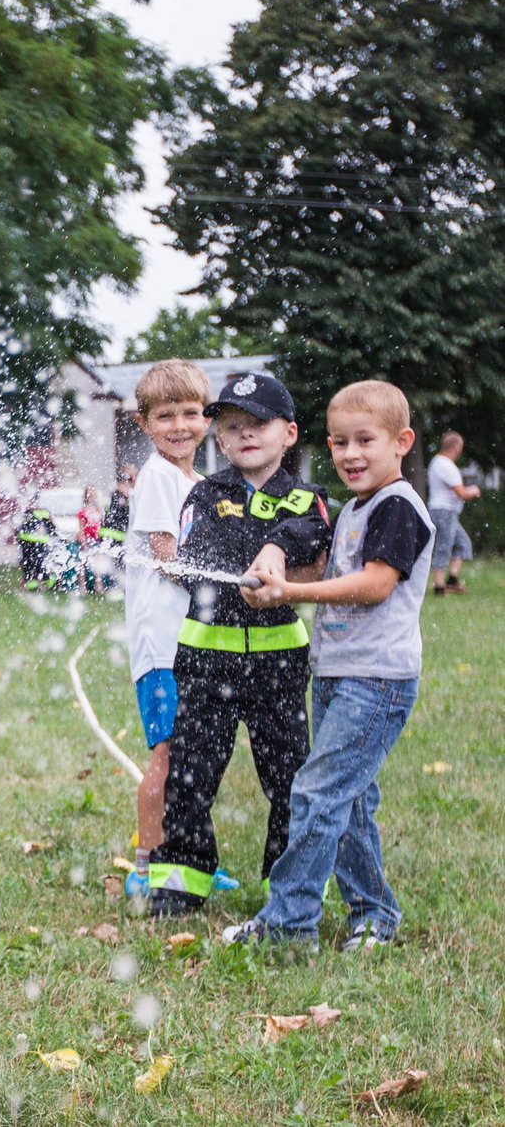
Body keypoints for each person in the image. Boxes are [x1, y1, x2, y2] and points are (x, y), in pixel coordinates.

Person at [222, 379, 434, 952]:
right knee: (352, 799)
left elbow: (373, 584)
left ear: (401, 441)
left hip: (377, 680)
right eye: (339, 443)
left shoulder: (397, 506)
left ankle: (288, 926)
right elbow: (328, 575)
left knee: (315, 793)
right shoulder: (355, 510)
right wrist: (275, 584)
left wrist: (293, 593)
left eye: (365, 440)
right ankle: (374, 914)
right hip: (338, 673)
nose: (350, 454)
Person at [148, 372, 332, 917]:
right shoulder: (205, 494)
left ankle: (291, 882)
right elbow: (196, 555)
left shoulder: (308, 497)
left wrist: (276, 548)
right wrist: (267, 560)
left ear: (290, 433)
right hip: (206, 660)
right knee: (191, 773)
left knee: (289, 776)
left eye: (259, 424)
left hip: (279, 663)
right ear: (219, 440)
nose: (245, 434)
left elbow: (316, 538)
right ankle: (182, 880)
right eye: (232, 426)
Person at [123, 358, 231, 900]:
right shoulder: (160, 476)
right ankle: (146, 864)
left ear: (207, 418)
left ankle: (186, 857)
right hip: (161, 644)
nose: (179, 425)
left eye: (190, 413)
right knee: (166, 753)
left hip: (190, 643)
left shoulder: (199, 481)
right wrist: (228, 588)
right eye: (165, 416)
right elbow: (168, 557)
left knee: (193, 755)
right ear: (144, 423)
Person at [427, 431, 480, 595]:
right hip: (444, 511)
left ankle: (452, 579)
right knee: (443, 547)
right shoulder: (445, 465)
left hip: (445, 511)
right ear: (457, 447)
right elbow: (461, 493)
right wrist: (474, 490)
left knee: (463, 543)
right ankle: (439, 586)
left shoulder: (438, 462)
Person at [99, 466, 137, 572]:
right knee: (117, 567)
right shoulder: (118, 496)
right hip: (114, 534)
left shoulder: (129, 496)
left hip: (119, 535)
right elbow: (120, 513)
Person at [16, 500, 58, 591]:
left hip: (39, 543)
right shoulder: (26, 513)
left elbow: (51, 527)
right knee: (29, 565)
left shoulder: (43, 513)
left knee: (39, 564)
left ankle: (50, 580)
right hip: (27, 542)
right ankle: (32, 585)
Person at [76, 486, 105, 595]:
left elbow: (101, 525)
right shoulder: (83, 512)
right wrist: (84, 542)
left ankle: (98, 586)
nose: (92, 496)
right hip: (87, 540)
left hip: (96, 540)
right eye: (90, 494)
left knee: (97, 564)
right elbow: (81, 529)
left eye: (94, 493)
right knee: (83, 564)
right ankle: (82, 587)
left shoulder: (98, 510)